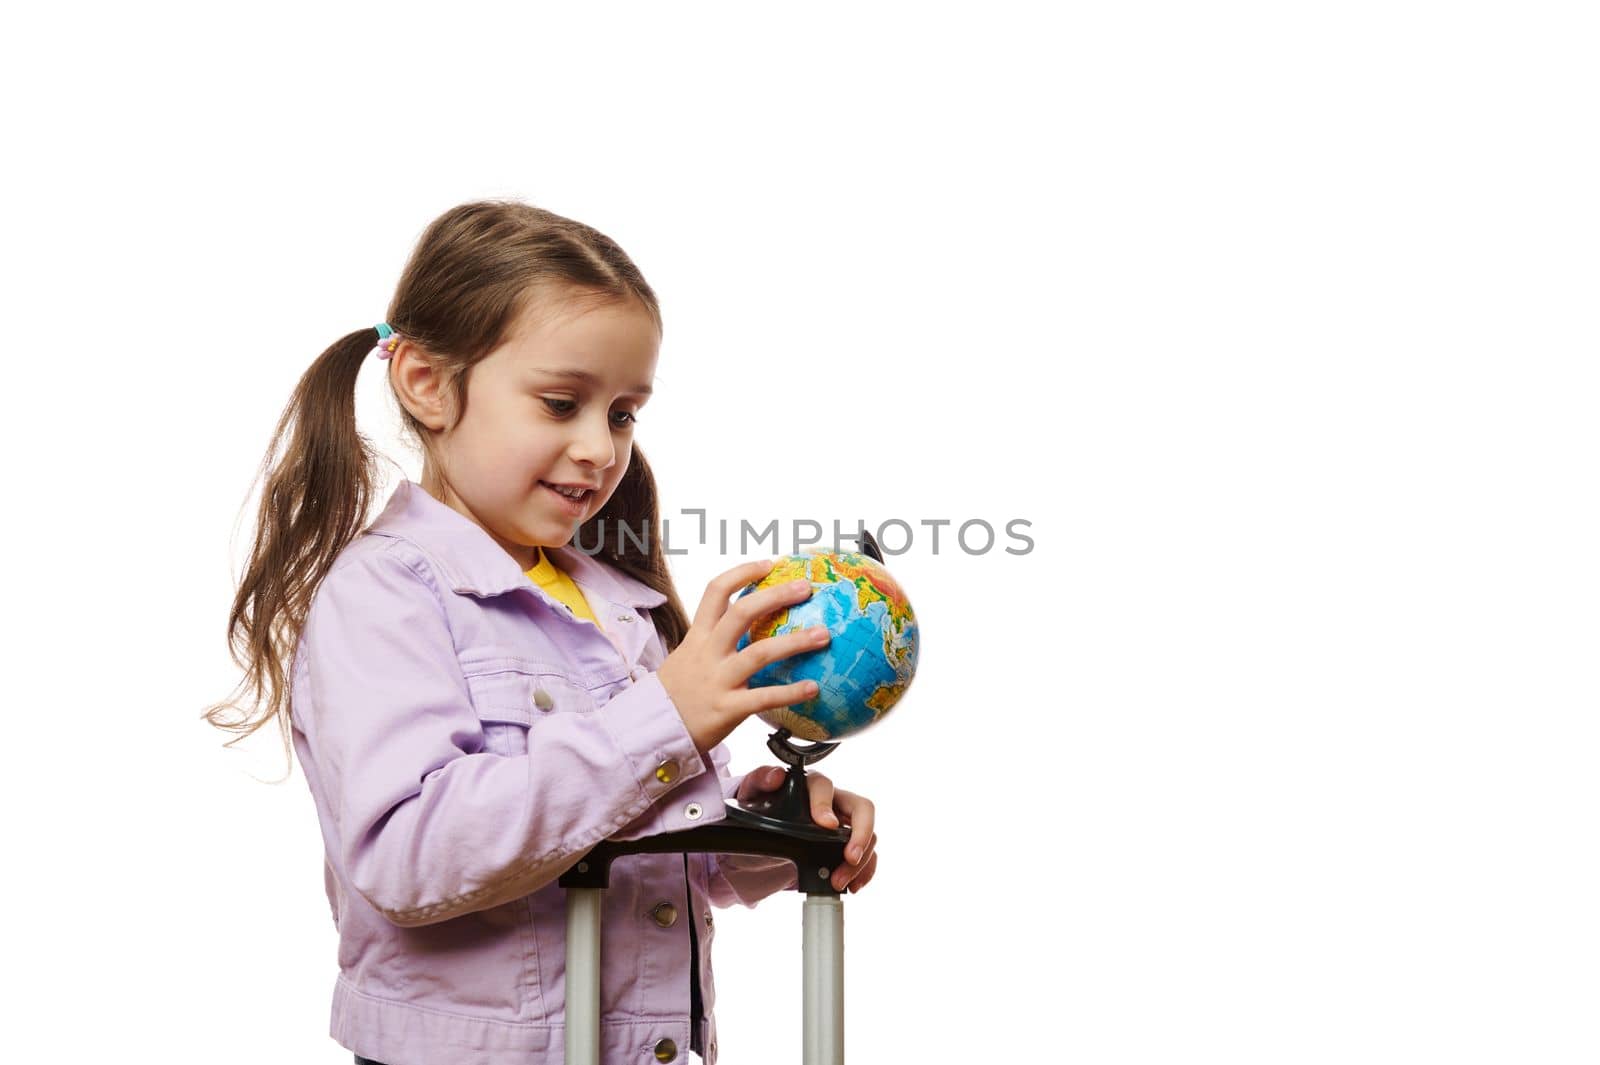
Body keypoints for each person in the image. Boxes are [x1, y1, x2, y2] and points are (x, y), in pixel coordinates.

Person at [203, 200, 879, 1065]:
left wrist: (773, 828)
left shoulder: (620, 606)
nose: (601, 447)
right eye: (562, 403)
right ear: (426, 383)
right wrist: (663, 719)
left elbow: (655, 850)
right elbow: (408, 855)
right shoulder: (385, 595)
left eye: (625, 413)